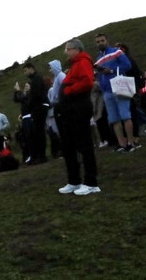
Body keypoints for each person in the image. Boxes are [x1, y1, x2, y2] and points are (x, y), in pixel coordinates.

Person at [56, 38, 100, 196]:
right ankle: (74, 180)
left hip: (79, 108)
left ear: (76, 49)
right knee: (68, 145)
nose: (66, 52)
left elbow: (88, 81)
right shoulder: (75, 64)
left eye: (68, 49)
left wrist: (68, 90)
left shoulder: (83, 62)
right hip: (70, 110)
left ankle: (91, 182)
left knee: (84, 144)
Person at [93, 34, 138, 153]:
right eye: (98, 42)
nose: (100, 43)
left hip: (119, 87)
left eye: (102, 40)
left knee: (125, 115)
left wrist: (111, 70)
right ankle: (122, 143)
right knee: (114, 119)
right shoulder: (98, 59)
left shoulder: (116, 52)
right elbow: (99, 75)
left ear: (106, 40)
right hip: (107, 91)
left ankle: (131, 142)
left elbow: (127, 65)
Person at [14, 62, 50, 164]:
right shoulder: (34, 80)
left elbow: (36, 95)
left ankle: (42, 156)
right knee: (37, 132)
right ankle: (39, 155)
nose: (25, 73)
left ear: (31, 69)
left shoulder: (36, 79)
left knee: (39, 132)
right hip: (37, 108)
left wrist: (28, 100)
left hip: (39, 108)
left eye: (25, 70)